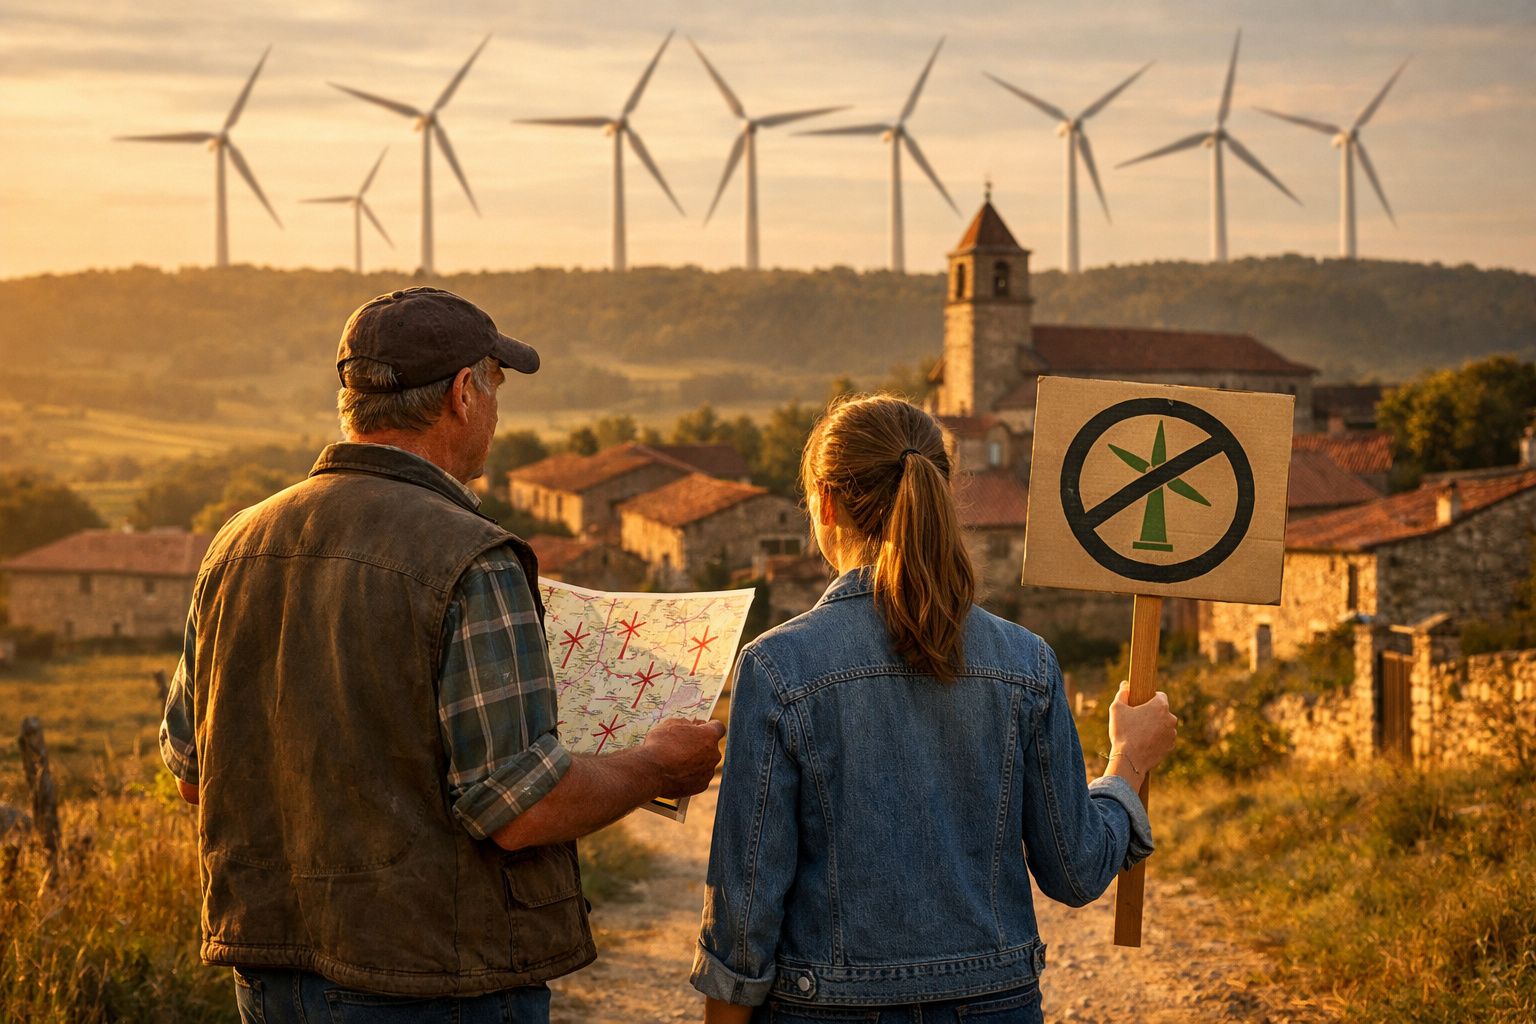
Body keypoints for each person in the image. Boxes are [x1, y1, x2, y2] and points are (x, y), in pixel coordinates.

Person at [159, 287, 725, 1024]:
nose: (497, 411)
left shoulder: (236, 545)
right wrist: (657, 764)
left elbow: (194, 779)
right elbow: (520, 807)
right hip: (438, 984)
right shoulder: (469, 557)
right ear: (464, 393)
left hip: (271, 975)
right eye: (496, 387)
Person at [691, 394, 1179, 1024]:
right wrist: (1129, 761)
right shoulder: (1027, 662)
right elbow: (1076, 870)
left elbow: (745, 906)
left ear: (826, 503)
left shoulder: (776, 668)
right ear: (942, 496)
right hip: (995, 1003)